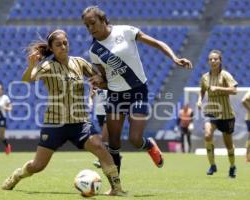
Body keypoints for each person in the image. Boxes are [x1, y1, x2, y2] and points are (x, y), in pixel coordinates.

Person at [1, 29, 125, 196]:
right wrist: (31, 65)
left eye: (65, 43)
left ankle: (116, 188)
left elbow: (101, 78)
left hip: (80, 122)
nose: (63, 47)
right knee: (38, 166)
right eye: (58, 44)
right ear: (51, 48)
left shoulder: (79, 62)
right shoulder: (47, 66)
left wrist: (97, 83)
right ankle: (18, 175)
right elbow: (27, 80)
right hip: (55, 123)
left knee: (100, 147)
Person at [82, 6, 192, 173]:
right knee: (113, 143)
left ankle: (149, 145)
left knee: (134, 139)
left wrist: (174, 58)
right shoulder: (94, 51)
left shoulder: (125, 31)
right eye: (87, 26)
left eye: (93, 23)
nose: (90, 28)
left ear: (103, 20)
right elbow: (106, 78)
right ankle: (115, 187)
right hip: (115, 95)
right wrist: (98, 82)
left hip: (137, 91)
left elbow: (156, 43)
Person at [197, 49, 238, 178]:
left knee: (228, 144)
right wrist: (199, 100)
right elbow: (202, 90)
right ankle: (212, 165)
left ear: (220, 61)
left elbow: (234, 90)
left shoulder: (225, 75)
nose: (213, 61)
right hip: (212, 112)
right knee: (208, 135)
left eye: (216, 59)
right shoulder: (205, 77)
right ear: (208, 61)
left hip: (226, 115)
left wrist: (218, 88)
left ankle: (232, 166)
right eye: (211, 59)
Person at [89, 88, 109, 168]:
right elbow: (91, 94)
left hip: (110, 109)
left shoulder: (110, 78)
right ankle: (116, 155)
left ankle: (102, 160)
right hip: (99, 110)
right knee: (106, 137)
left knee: (104, 137)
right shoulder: (94, 79)